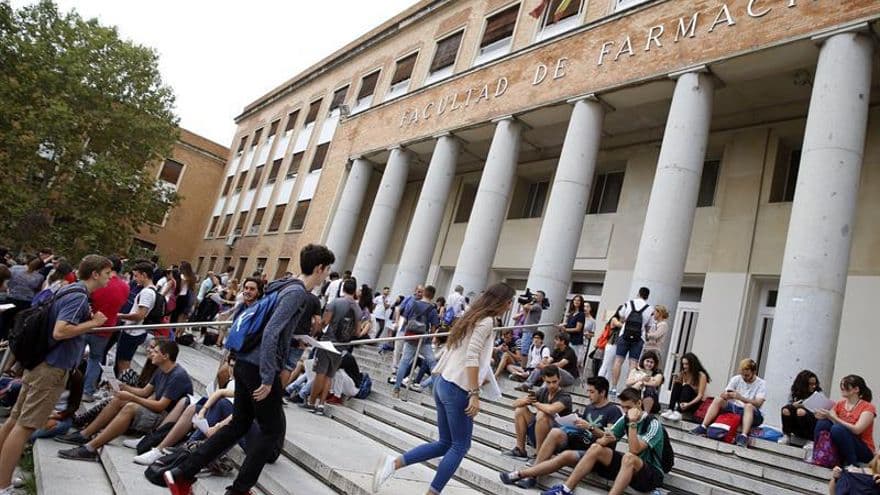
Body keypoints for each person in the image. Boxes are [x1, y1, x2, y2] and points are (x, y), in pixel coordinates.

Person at [164, 244, 335, 495]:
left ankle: (182, 474)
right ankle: (240, 490)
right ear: (319, 268)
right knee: (271, 431)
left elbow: (274, 328)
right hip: (259, 368)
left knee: (239, 424)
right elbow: (270, 333)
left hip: (246, 361)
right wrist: (268, 377)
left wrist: (294, 339)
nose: (326, 276)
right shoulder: (297, 293)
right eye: (327, 270)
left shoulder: (282, 285)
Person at [372, 282, 516, 495]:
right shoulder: (485, 321)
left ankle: (393, 464)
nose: (510, 306)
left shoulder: (471, 316)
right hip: (458, 387)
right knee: (460, 446)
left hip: (444, 382)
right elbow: (471, 355)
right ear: (503, 302)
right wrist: (475, 394)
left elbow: (459, 350)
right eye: (510, 302)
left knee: (445, 443)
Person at [0, 255, 111, 494]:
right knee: (24, 426)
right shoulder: (79, 296)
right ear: (95, 274)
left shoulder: (69, 289)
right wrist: (93, 324)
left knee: (15, 420)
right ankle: (3, 485)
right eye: (107, 274)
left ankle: (2, 474)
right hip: (51, 368)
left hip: (41, 363)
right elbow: (61, 331)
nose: (110, 278)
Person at [56, 340, 193, 461]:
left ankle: (90, 448)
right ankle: (85, 434)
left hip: (166, 420)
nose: (151, 353)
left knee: (130, 407)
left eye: (156, 351)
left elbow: (160, 406)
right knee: (119, 398)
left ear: (165, 356)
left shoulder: (177, 376)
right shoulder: (161, 369)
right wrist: (123, 386)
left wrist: (132, 397)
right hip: (157, 412)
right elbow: (145, 392)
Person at [499, 376, 622, 489]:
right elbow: (584, 429)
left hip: (594, 453)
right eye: (588, 391)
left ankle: (530, 475)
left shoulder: (613, 410)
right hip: (579, 442)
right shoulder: (590, 407)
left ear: (603, 392)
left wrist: (590, 427)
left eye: (592, 392)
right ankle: (533, 470)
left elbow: (610, 438)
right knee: (555, 432)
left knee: (562, 449)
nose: (588, 395)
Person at [540, 387, 666, 495]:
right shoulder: (625, 418)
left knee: (629, 457)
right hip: (631, 469)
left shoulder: (654, 425)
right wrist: (604, 438)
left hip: (651, 474)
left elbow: (634, 450)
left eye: (628, 407)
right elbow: (602, 441)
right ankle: (566, 489)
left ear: (639, 404)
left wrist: (632, 423)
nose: (626, 411)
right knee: (596, 448)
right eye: (623, 407)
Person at [307, 277, 360, 413]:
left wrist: (316, 330)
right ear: (354, 291)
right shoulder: (357, 309)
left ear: (342, 289)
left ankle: (311, 402)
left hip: (328, 341)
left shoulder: (335, 302)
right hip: (342, 345)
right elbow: (357, 332)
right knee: (330, 375)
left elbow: (325, 322)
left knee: (320, 372)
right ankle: (321, 404)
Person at [690, 358, 767, 448]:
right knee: (718, 399)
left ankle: (744, 436)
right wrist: (726, 395)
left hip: (753, 414)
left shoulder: (761, 383)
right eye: (743, 375)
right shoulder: (736, 379)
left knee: (748, 406)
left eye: (747, 375)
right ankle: (703, 426)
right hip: (735, 408)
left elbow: (758, 403)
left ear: (754, 372)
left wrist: (740, 397)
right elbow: (723, 394)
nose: (744, 378)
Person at [83, 255, 130, 401]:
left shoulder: (96, 282)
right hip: (105, 328)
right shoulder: (124, 287)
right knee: (96, 359)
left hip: (85, 324)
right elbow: (121, 304)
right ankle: (87, 391)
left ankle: (69, 384)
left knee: (75, 355)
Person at [503, 366, 573, 460]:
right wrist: (527, 400)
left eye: (554, 381)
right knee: (520, 410)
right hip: (541, 433)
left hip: (558, 438)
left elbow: (551, 410)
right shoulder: (543, 391)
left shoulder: (565, 396)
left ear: (559, 379)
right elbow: (515, 404)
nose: (552, 385)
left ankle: (539, 455)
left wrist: (536, 404)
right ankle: (520, 449)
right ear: (544, 379)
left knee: (542, 414)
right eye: (548, 382)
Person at [814, 375, 876, 467]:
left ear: (856, 389)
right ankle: (818, 453)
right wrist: (821, 415)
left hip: (863, 449)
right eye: (842, 384)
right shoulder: (840, 404)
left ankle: (852, 464)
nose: (842, 387)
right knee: (823, 423)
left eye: (846, 385)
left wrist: (834, 418)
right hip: (843, 443)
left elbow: (857, 429)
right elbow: (831, 419)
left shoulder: (867, 407)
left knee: (837, 429)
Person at [393, 285, 440, 398]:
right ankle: (428, 385)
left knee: (404, 362)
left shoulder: (413, 304)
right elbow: (434, 328)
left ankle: (396, 388)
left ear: (424, 293)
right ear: (433, 296)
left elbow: (406, 318)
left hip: (410, 337)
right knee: (434, 364)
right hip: (424, 340)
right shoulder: (432, 309)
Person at [116, 262, 161, 375]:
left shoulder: (147, 292)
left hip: (133, 331)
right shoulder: (151, 291)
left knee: (123, 362)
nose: (135, 279)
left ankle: (124, 386)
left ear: (144, 275)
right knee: (123, 360)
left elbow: (140, 315)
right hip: (136, 330)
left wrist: (120, 316)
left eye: (136, 275)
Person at [611, 287, 654, 397]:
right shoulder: (650, 309)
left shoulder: (629, 303)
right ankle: (628, 389)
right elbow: (649, 326)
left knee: (618, 361)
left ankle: (614, 388)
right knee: (633, 364)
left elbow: (621, 316)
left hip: (624, 335)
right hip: (639, 338)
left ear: (638, 293)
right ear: (647, 296)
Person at [661, 352, 711, 422]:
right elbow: (677, 390)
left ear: (692, 364)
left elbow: (700, 396)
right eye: (683, 364)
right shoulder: (684, 373)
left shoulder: (701, 375)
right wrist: (677, 379)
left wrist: (688, 404)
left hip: (694, 403)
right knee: (677, 384)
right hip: (683, 402)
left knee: (687, 387)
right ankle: (670, 410)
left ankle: (678, 412)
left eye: (687, 364)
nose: (684, 366)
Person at [778, 370, 821, 445]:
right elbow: (789, 405)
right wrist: (794, 405)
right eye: (811, 384)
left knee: (801, 411)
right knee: (786, 409)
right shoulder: (795, 392)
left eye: (815, 384)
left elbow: (818, 413)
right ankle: (786, 435)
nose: (814, 386)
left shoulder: (818, 393)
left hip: (810, 422)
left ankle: (810, 440)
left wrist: (805, 406)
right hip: (796, 423)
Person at [625, 350, 664, 415]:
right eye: (647, 361)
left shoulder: (657, 373)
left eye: (651, 362)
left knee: (649, 388)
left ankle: (645, 414)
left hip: (652, 402)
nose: (649, 364)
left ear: (655, 364)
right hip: (637, 398)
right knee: (633, 388)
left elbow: (656, 383)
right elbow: (628, 382)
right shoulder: (636, 370)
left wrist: (642, 383)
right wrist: (640, 379)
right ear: (643, 361)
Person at [558, 295, 588, 375]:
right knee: (566, 358)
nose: (576, 302)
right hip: (569, 340)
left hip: (576, 341)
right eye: (575, 300)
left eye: (578, 300)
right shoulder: (572, 313)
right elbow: (568, 324)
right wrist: (562, 325)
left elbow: (578, 328)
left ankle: (573, 376)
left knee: (573, 359)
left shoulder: (581, 314)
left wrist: (565, 329)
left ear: (581, 303)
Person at [518, 290, 545, 368]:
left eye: (537, 296)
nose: (535, 297)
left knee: (524, 351)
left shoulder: (537, 306)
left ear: (542, 298)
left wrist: (529, 302)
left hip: (530, 330)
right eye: (535, 295)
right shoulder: (534, 305)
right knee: (523, 349)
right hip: (526, 329)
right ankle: (522, 367)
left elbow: (526, 306)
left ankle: (522, 369)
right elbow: (525, 312)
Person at [597, 306, 624, 382]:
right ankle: (598, 383)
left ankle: (605, 384)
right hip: (611, 344)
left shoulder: (623, 320)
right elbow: (619, 325)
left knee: (610, 367)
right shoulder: (614, 319)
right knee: (605, 364)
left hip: (618, 345)